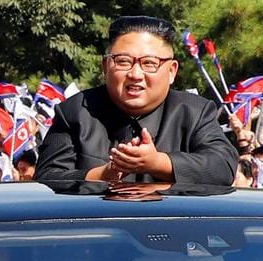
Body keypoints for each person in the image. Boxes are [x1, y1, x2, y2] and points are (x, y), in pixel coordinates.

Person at [34, 16, 240, 186]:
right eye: (123, 61)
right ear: (105, 67)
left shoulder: (195, 112)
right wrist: (103, 175)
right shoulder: (75, 111)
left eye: (149, 63)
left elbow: (222, 168)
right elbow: (47, 179)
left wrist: (157, 162)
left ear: (171, 71)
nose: (135, 74)